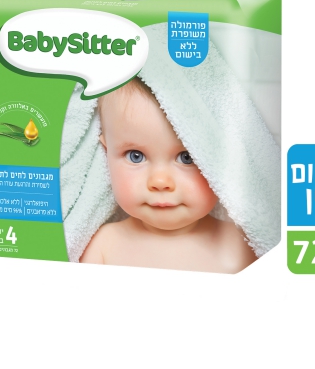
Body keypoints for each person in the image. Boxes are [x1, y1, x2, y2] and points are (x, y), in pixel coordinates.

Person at [80, 78, 257, 273]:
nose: (160, 182)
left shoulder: (244, 245)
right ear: (106, 152)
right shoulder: (103, 248)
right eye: (135, 156)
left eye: (187, 157)